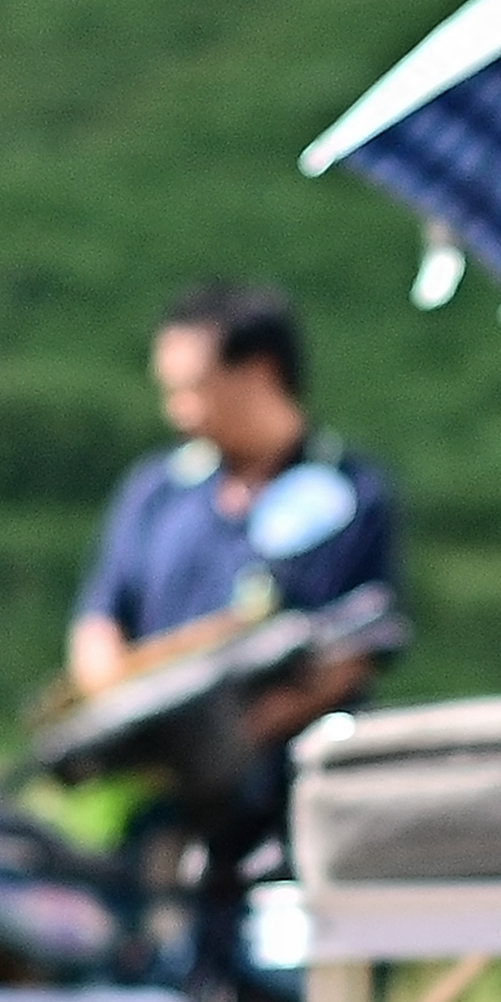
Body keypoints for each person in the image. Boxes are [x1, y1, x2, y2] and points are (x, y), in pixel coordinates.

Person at [65, 282, 403, 696]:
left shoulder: (351, 493)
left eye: (192, 389)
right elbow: (100, 623)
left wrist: (230, 746)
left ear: (260, 372)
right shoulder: (157, 488)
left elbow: (354, 654)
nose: (177, 411)